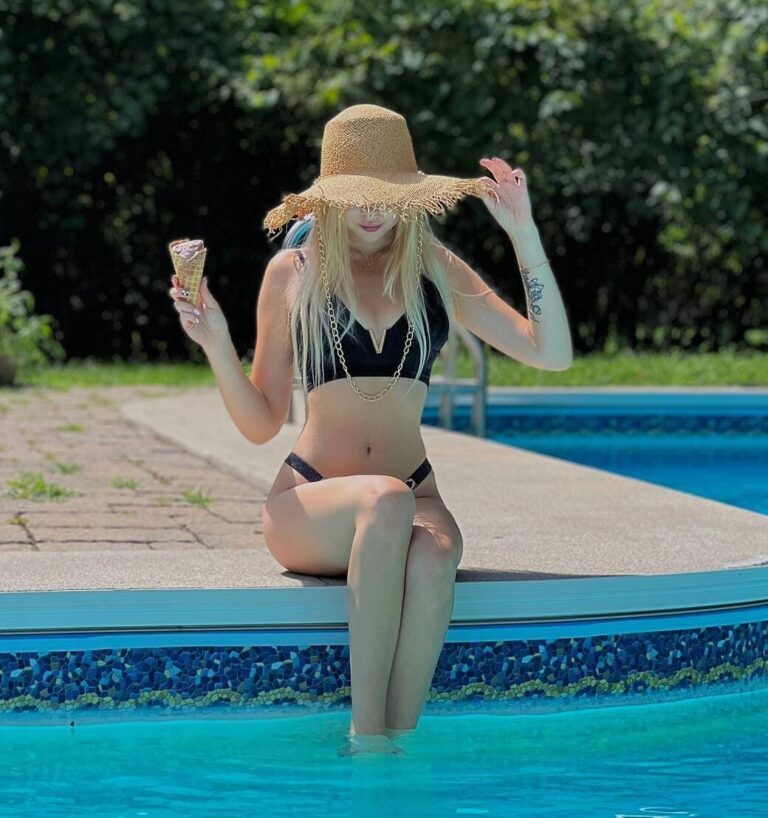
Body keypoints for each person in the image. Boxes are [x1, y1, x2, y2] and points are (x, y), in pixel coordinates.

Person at [169, 103, 573, 756]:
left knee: (433, 554)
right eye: (356, 194)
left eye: (386, 193)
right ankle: (365, 735)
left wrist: (523, 234)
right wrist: (216, 342)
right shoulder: (294, 272)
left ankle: (398, 744)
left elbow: (548, 352)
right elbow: (261, 421)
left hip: (415, 492)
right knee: (383, 499)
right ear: (330, 196)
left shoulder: (433, 267)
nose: (370, 209)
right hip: (309, 501)